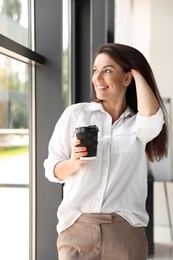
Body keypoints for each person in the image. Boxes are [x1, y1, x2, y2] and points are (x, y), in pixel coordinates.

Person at [44, 43, 168, 260]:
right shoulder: (76, 114)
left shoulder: (138, 125)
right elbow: (51, 170)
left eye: (107, 70)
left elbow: (151, 115)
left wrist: (137, 70)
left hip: (124, 231)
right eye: (95, 70)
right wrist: (74, 162)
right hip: (77, 228)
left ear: (127, 78)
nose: (98, 78)